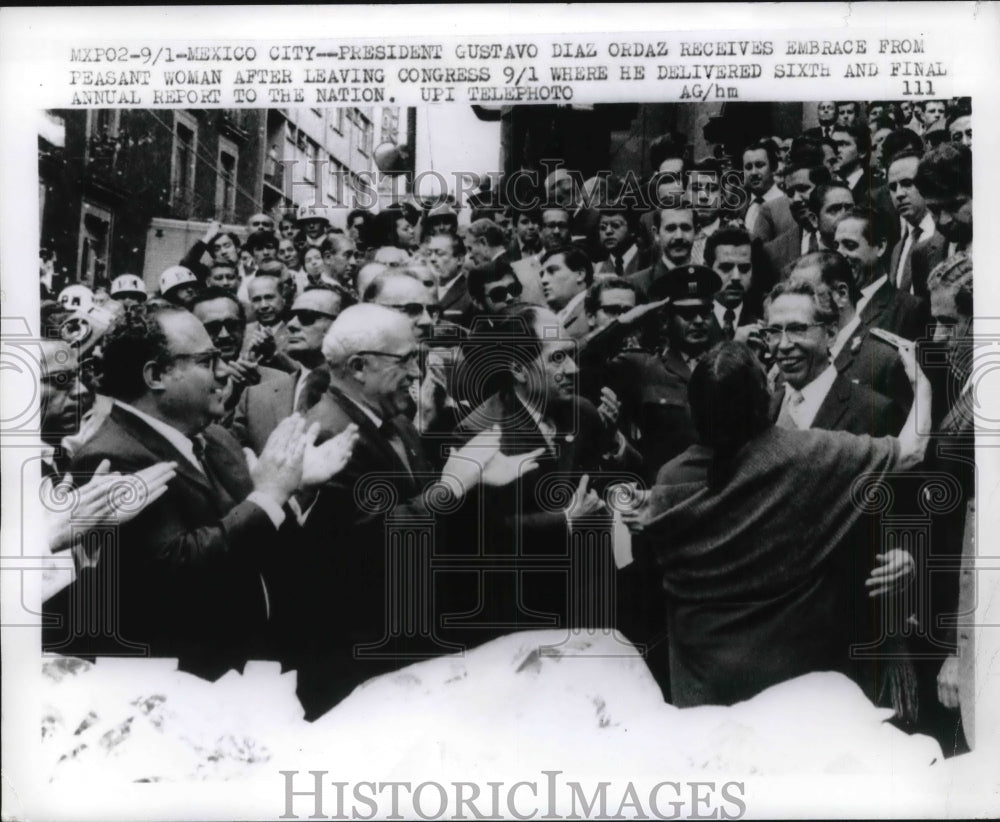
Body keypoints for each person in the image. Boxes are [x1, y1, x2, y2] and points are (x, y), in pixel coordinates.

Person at [622, 335, 931, 708]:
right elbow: (911, 453)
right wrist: (923, 387)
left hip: (705, 689)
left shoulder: (671, 479)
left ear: (695, 408)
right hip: (790, 689)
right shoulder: (804, 456)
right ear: (766, 394)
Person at [54, 306, 358, 678]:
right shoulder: (112, 455)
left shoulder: (215, 437)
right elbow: (174, 570)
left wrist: (296, 492)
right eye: (207, 360)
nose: (222, 372)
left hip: (250, 663)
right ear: (156, 374)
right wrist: (269, 495)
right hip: (184, 680)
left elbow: (250, 535)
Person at [293, 304, 541, 718]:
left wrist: (474, 485)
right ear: (359, 367)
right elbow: (367, 544)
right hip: (359, 661)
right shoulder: (325, 435)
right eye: (406, 359)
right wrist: (452, 487)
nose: (415, 372)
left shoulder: (399, 422)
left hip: (407, 646)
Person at [765, 278, 904, 436]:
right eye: (774, 331)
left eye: (797, 329)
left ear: (830, 334)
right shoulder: (761, 411)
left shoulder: (874, 412)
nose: (784, 345)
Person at [232, 286, 343, 455]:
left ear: (342, 324)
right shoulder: (255, 398)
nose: (291, 325)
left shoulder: (363, 392)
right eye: (291, 316)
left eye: (307, 316)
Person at [834, 207, 927, 341]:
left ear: (880, 247)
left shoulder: (910, 309)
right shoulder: (833, 304)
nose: (840, 254)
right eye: (836, 246)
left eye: (850, 245)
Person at [886, 150, 940, 296]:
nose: (899, 194)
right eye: (893, 187)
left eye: (907, 183)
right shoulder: (897, 249)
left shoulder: (945, 237)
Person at [628, 205, 696, 298]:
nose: (679, 236)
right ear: (656, 234)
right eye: (670, 228)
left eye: (685, 228)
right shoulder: (636, 285)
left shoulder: (707, 280)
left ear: (697, 231)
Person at [539, 245, 593, 339]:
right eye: (542, 275)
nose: (543, 280)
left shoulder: (593, 309)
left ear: (580, 275)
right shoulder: (551, 316)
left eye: (552, 271)